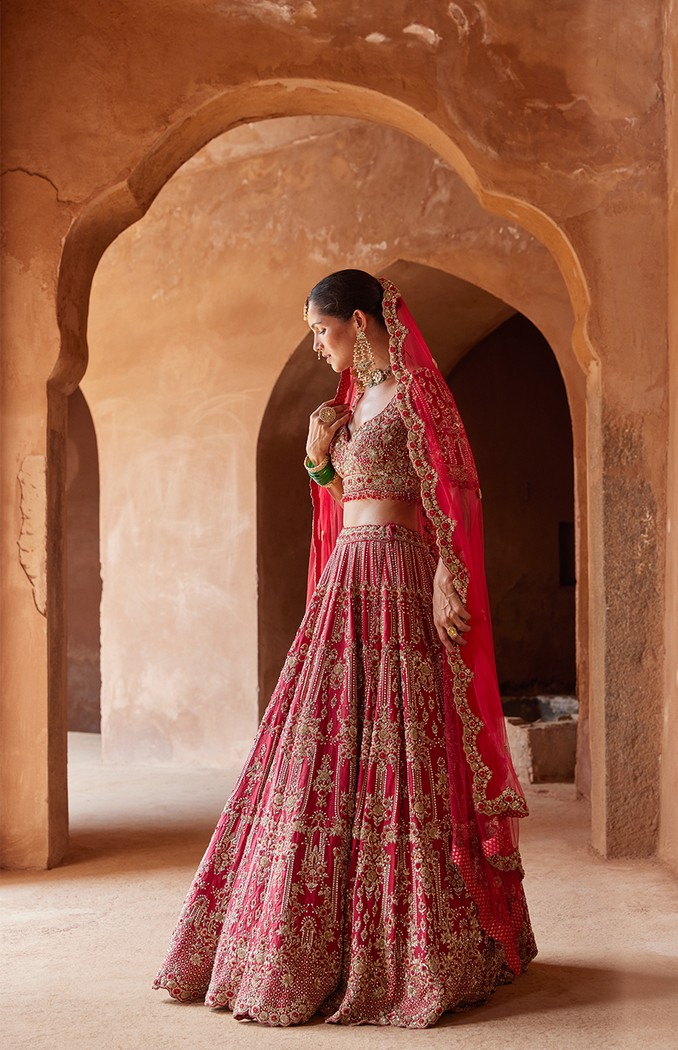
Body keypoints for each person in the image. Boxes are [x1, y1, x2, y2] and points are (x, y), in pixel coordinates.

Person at [153, 270, 537, 1028]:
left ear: (361, 322)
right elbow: (345, 496)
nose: (319, 348)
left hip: (400, 579)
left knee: (405, 757)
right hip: (345, 584)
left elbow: (453, 490)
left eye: (324, 332)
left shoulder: (419, 395)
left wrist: (447, 577)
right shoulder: (352, 403)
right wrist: (317, 458)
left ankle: (419, 952)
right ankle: (295, 946)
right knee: (313, 751)